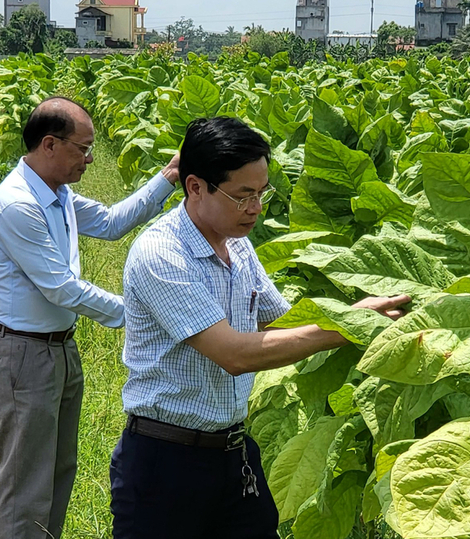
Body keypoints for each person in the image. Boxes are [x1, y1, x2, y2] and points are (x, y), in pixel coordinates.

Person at [110, 116, 410, 539]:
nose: (255, 208)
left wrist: (360, 312)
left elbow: (284, 320)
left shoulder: (239, 246)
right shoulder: (161, 254)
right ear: (195, 187)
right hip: (166, 462)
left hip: (233, 453)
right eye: (242, 196)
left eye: (262, 193)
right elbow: (234, 354)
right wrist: (349, 326)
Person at [0, 96, 180, 539]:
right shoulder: (18, 204)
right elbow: (61, 287)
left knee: (57, 473)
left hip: (57, 350)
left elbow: (109, 222)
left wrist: (168, 178)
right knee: (24, 487)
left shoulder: (57, 193)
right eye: (82, 149)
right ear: (49, 144)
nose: (89, 158)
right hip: (21, 356)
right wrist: (140, 312)